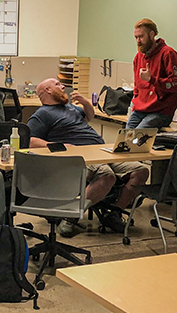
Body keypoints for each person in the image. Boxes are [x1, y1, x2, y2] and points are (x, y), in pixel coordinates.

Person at [28, 78, 149, 237]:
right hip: (81, 155)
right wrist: (56, 145)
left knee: (141, 171)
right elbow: (29, 139)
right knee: (107, 177)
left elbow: (88, 116)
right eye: (57, 84)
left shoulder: (69, 107)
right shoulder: (42, 114)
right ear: (47, 91)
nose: (63, 86)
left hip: (101, 151)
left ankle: (113, 213)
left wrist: (85, 102)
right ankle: (70, 216)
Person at [127, 18, 177, 129]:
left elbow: (176, 84)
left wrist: (152, 79)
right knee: (126, 137)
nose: (138, 41)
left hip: (160, 111)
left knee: (138, 136)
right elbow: (137, 87)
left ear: (152, 35)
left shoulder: (168, 53)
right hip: (140, 110)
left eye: (141, 37)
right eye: (136, 37)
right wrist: (134, 103)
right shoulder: (138, 57)